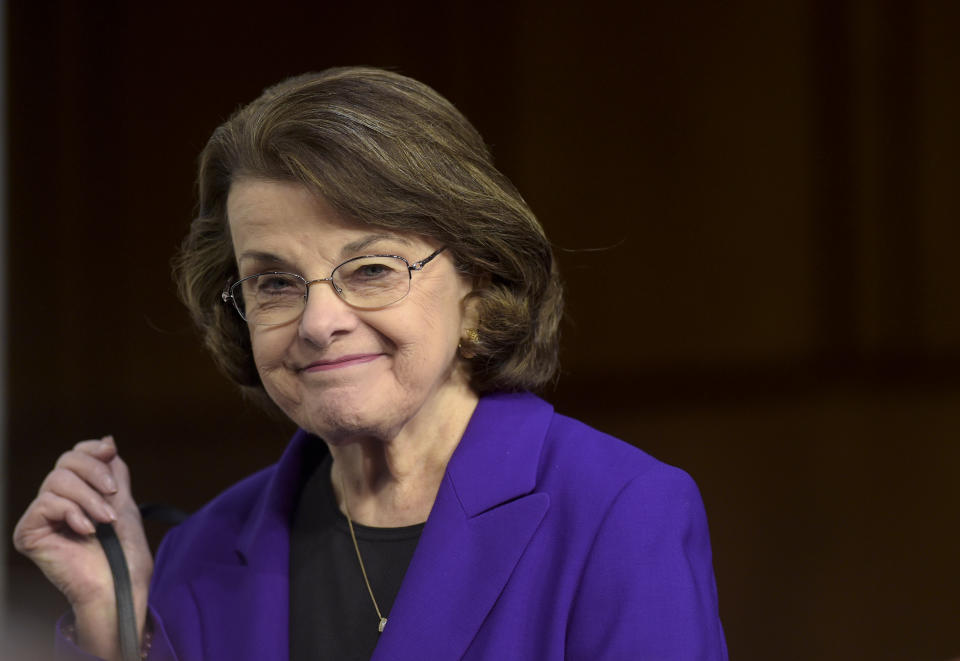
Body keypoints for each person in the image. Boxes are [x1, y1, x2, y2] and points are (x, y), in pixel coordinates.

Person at [13, 67, 728, 660]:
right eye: (274, 282)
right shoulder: (198, 555)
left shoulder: (619, 511)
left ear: (477, 283)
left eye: (374, 269)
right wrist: (115, 627)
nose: (320, 322)